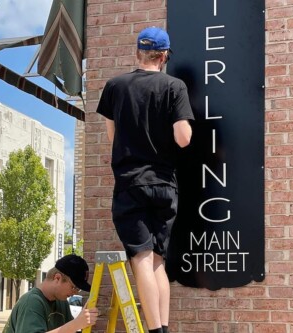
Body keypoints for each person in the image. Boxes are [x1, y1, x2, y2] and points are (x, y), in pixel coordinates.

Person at [96, 26, 194, 333]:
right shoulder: (174, 86)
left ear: (138, 52)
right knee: (157, 262)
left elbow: (112, 135)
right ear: (164, 56)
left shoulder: (115, 86)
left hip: (131, 183)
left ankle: (155, 331)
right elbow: (183, 139)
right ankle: (162, 327)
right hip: (165, 185)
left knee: (140, 258)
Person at [2, 254, 98, 333]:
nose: (75, 293)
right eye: (74, 287)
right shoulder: (31, 302)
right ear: (57, 278)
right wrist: (76, 324)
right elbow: (70, 328)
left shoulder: (62, 302)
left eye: (78, 289)